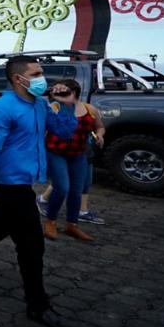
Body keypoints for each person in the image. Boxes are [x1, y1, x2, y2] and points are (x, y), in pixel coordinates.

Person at [0, 57, 81, 327]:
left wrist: (68, 105)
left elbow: (63, 131)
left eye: (41, 73)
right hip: (7, 187)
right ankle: (38, 305)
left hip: (23, 185)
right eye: (36, 73)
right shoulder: (2, 108)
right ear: (18, 79)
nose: (42, 78)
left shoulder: (39, 105)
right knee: (32, 246)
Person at [42, 78, 103, 241]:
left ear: (74, 92)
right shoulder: (54, 107)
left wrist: (100, 136)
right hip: (56, 153)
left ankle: (72, 224)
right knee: (62, 187)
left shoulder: (89, 109)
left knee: (77, 191)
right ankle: (51, 221)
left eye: (63, 90)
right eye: (56, 90)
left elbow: (99, 126)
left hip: (78, 154)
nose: (58, 93)